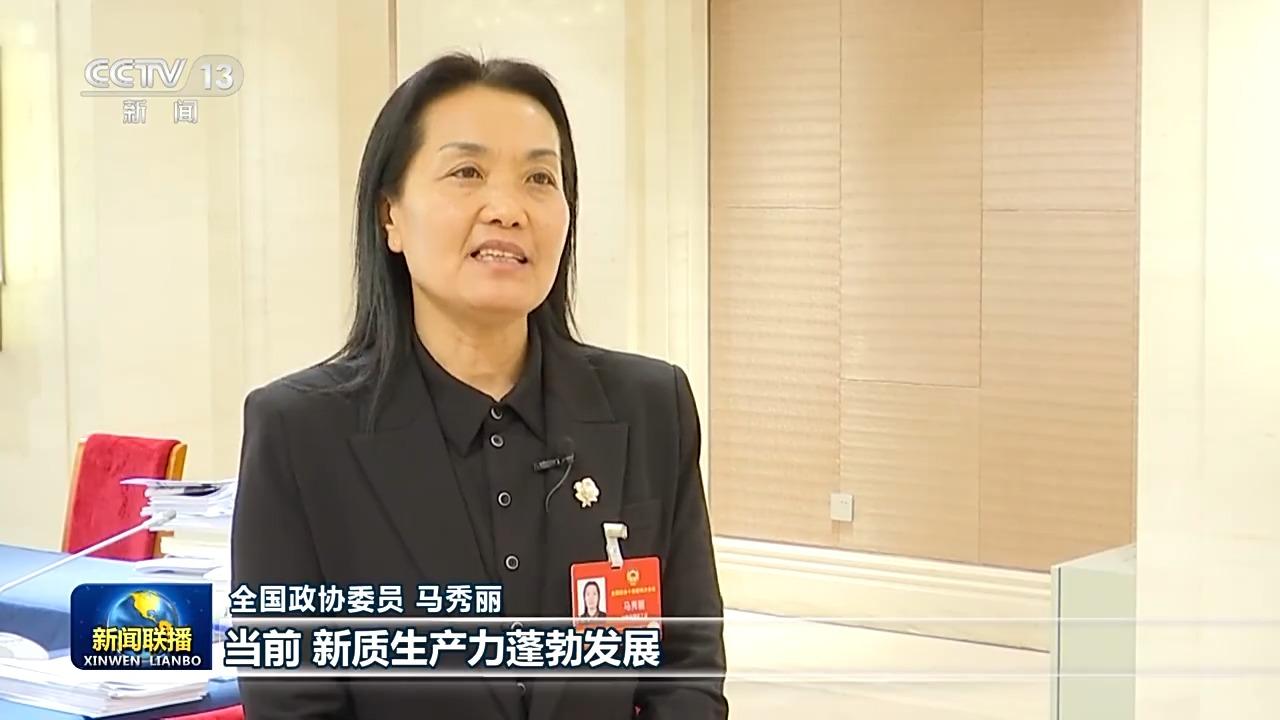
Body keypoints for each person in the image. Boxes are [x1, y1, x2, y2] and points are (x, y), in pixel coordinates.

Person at [231, 52, 727, 719]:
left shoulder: (651, 407)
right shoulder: (299, 433)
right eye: (467, 172)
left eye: (540, 179)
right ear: (390, 216)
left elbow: (688, 676)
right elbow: (293, 703)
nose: (508, 209)